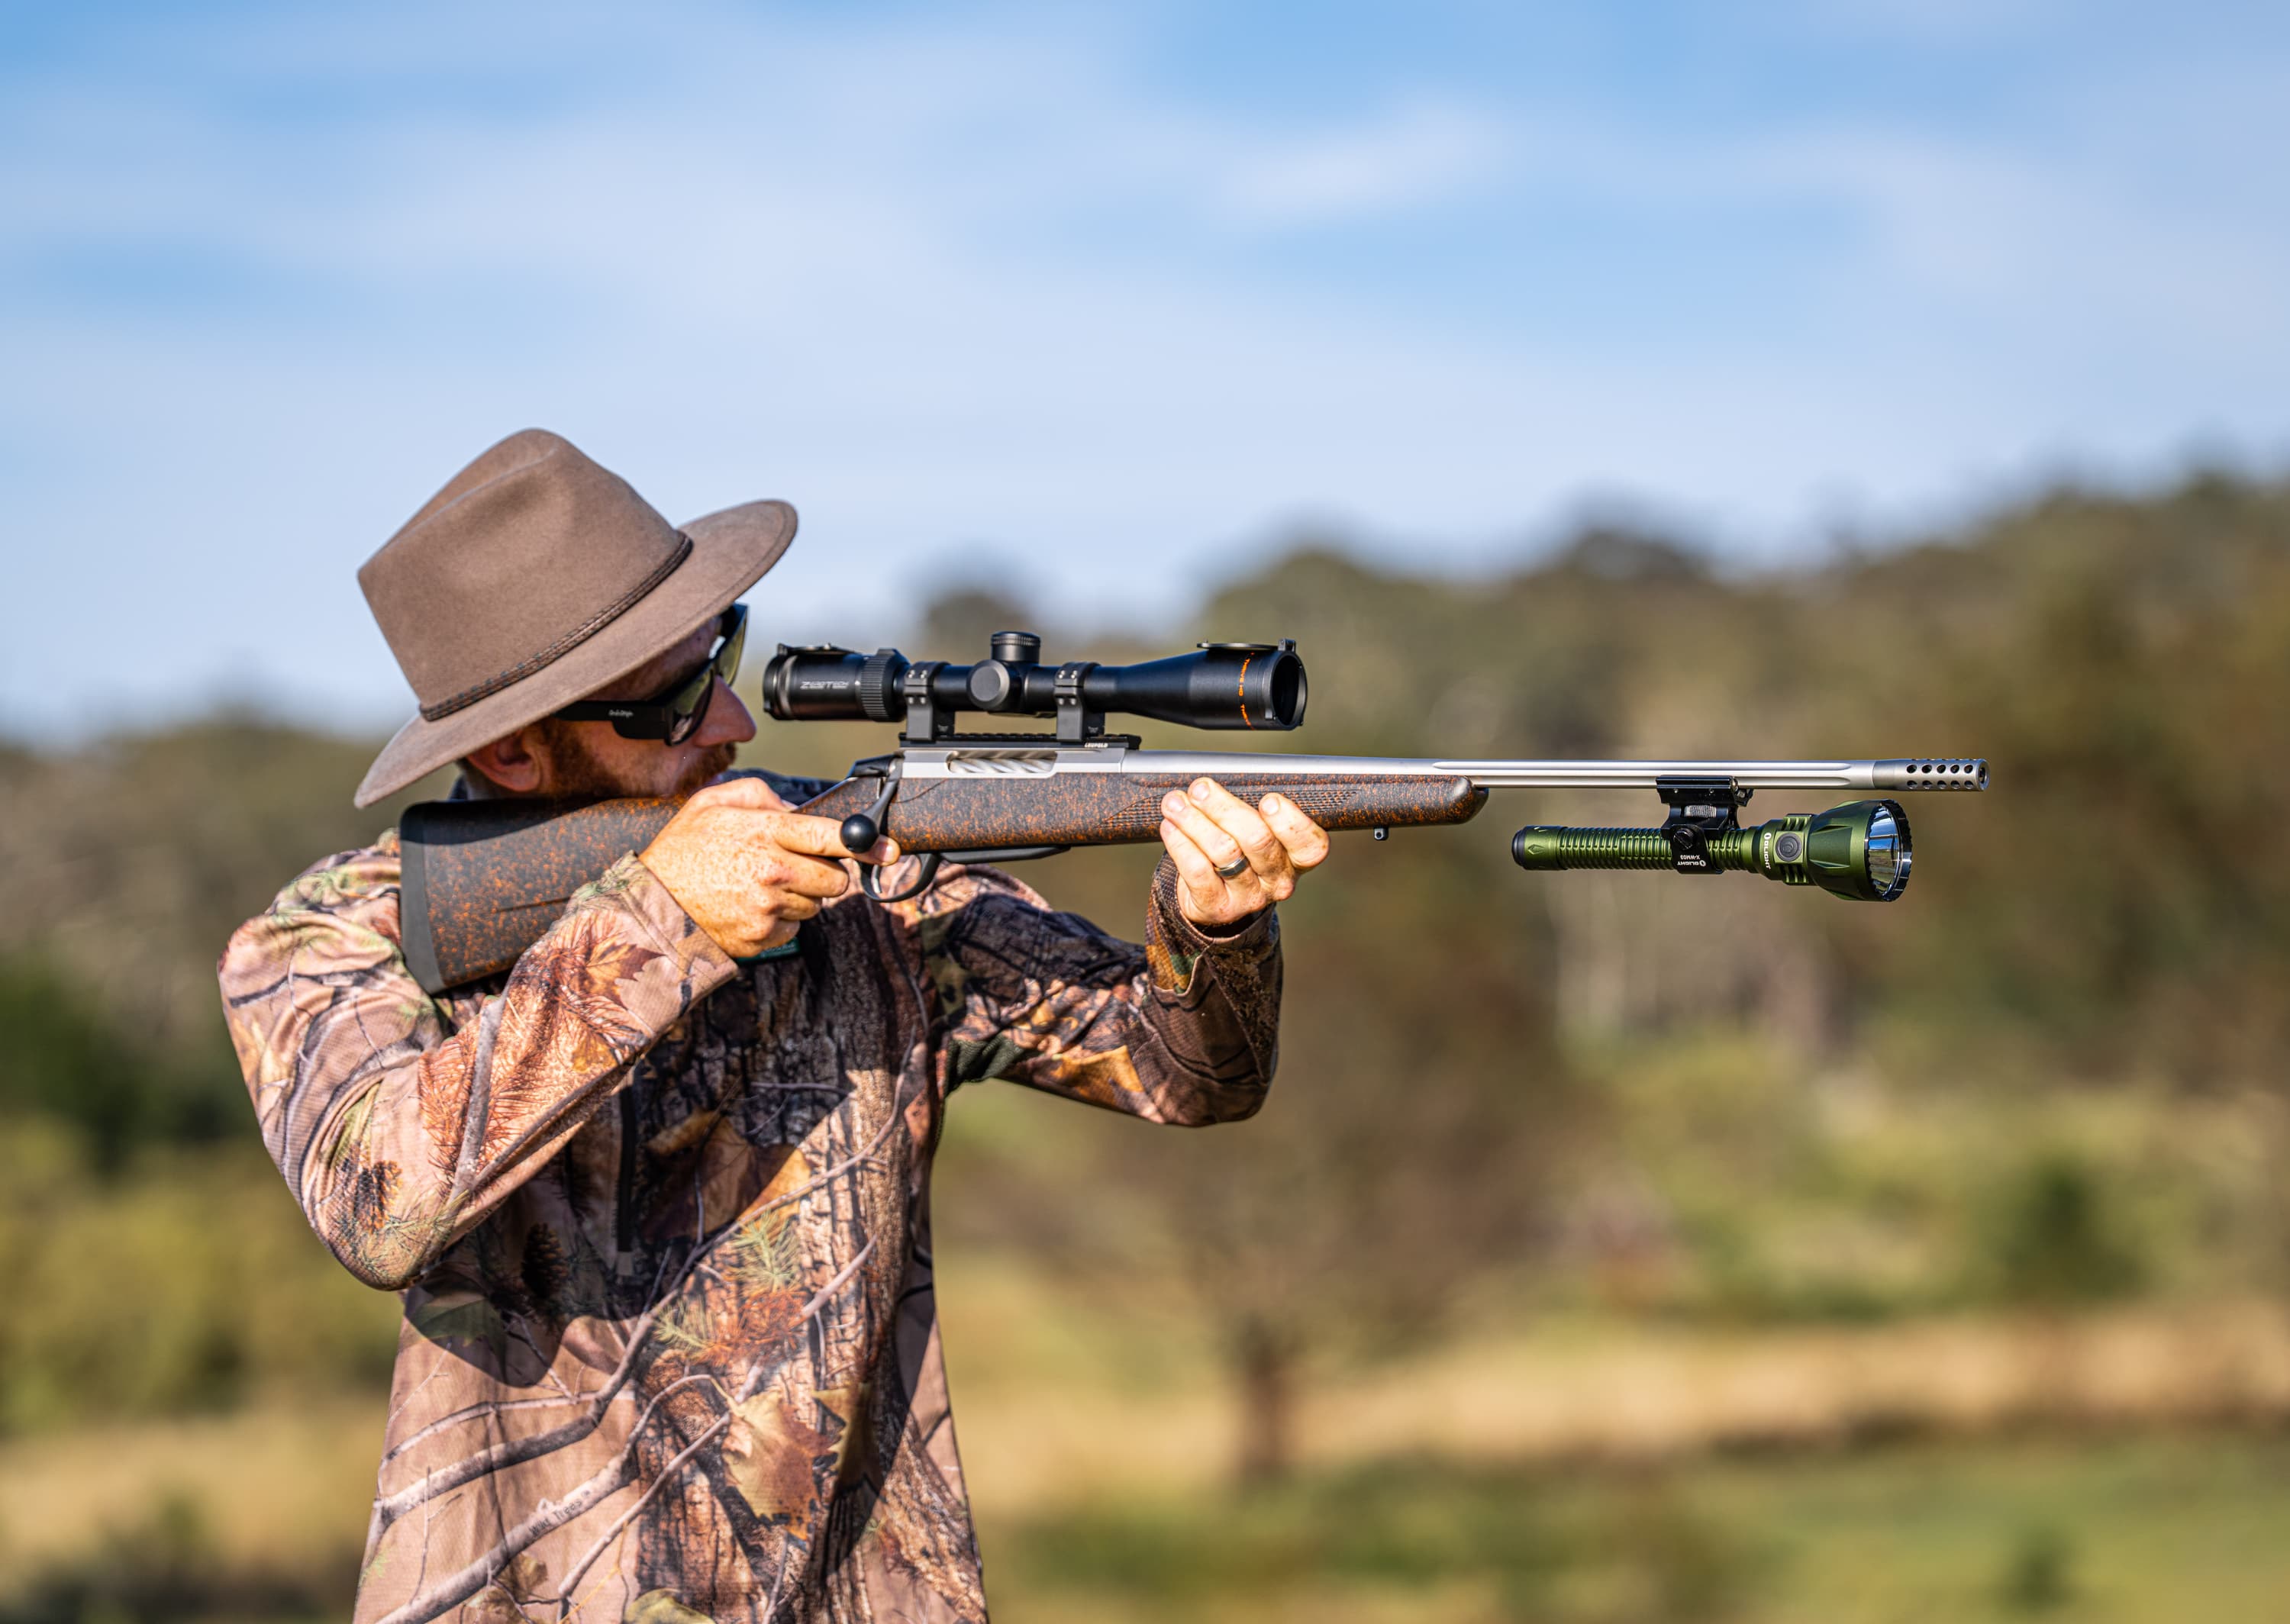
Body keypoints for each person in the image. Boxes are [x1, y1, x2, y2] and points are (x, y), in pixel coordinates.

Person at [217, 430, 1329, 1624]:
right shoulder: (335, 939)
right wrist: (660, 918)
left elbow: (1183, 1074)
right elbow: (378, 1200)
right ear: (509, 748)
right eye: (675, 703)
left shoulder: (863, 874)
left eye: (723, 660)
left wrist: (1211, 931)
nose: (736, 722)